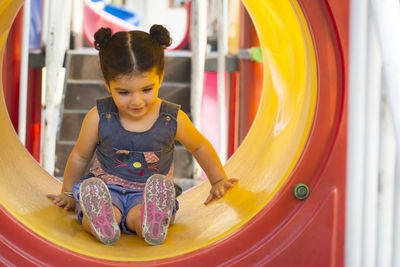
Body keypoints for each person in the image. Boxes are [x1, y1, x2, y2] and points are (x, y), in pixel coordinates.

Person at [47, 24, 237, 246]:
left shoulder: (172, 118)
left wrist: (218, 180)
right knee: (105, 213)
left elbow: (199, 146)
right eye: (124, 92)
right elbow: (79, 156)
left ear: (160, 77)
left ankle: (152, 219)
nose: (136, 101)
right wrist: (68, 194)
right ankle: (102, 221)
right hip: (105, 189)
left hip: (149, 194)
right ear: (108, 85)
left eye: (146, 89)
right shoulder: (99, 117)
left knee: (140, 218)